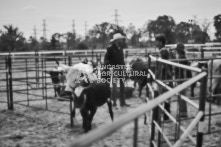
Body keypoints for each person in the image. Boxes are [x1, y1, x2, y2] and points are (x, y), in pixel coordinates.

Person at [104, 33, 130, 107]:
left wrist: (124, 68)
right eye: (120, 39)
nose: (122, 40)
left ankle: (122, 102)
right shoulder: (110, 48)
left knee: (122, 85)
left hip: (121, 68)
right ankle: (114, 102)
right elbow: (106, 59)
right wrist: (110, 66)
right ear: (117, 40)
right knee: (114, 86)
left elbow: (122, 59)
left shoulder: (121, 48)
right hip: (114, 69)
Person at [155, 34, 172, 120]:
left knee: (164, 94)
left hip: (164, 76)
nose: (156, 43)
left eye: (157, 41)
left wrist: (158, 74)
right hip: (165, 75)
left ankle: (166, 114)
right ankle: (166, 113)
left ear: (161, 42)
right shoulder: (163, 50)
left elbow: (163, 65)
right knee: (165, 94)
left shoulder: (163, 51)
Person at [174, 43, 188, 118]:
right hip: (179, 78)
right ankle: (182, 111)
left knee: (181, 95)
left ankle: (183, 112)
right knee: (180, 95)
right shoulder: (181, 57)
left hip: (181, 78)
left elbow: (183, 70)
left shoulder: (182, 58)